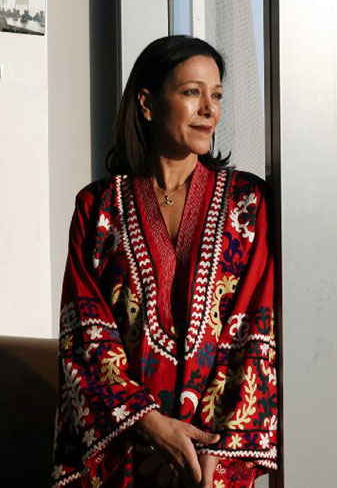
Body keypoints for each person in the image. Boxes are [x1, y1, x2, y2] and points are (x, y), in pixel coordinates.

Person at [53, 36, 278, 488]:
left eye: (217, 96)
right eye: (192, 92)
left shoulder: (248, 203)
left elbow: (256, 328)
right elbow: (85, 335)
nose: (209, 110)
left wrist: (218, 450)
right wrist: (149, 423)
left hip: (213, 461)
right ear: (147, 103)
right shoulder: (97, 209)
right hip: (124, 457)